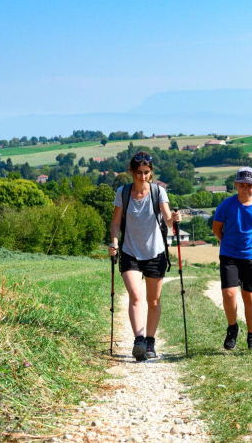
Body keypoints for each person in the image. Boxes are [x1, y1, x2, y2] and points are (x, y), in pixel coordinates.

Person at [108, 151, 181, 361]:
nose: (142, 177)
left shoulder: (159, 192)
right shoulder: (123, 193)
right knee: (136, 296)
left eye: (146, 172)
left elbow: (168, 221)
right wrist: (114, 243)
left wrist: (175, 218)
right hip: (130, 251)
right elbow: (115, 222)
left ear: (151, 172)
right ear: (131, 172)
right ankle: (138, 340)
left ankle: (150, 342)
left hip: (155, 253)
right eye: (139, 172)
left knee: (154, 301)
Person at [212, 167, 252, 351]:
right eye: (242, 185)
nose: (246, 188)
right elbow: (216, 229)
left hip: (251, 256)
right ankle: (232, 328)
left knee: (249, 296)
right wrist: (226, 243)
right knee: (229, 294)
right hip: (229, 255)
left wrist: (250, 243)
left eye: (250, 185)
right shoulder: (226, 205)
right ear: (236, 185)